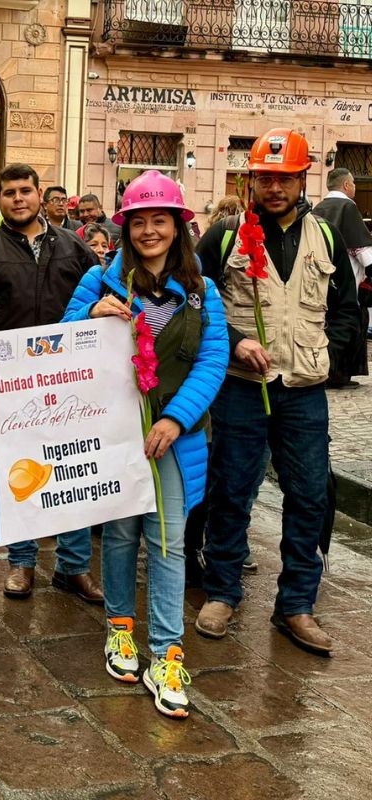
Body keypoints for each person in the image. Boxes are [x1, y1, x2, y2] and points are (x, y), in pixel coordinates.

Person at [64, 171, 228, 719]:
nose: (150, 231)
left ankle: (166, 651)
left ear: (178, 226)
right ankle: (119, 629)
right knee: (119, 536)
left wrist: (177, 420)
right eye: (140, 221)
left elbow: (213, 359)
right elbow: (60, 342)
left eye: (161, 220)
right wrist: (89, 316)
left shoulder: (204, 290)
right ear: (126, 227)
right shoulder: (99, 280)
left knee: (168, 541)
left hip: (174, 440)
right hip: (115, 435)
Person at [194, 129, 361, 656]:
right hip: (242, 389)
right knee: (231, 490)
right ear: (252, 181)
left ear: (301, 179)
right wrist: (238, 341)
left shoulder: (326, 237)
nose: (274, 188)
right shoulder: (224, 236)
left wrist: (328, 355)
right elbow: (195, 302)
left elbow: (346, 311)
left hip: (304, 392)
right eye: (265, 178)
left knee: (310, 496)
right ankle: (222, 591)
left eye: (284, 178)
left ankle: (296, 605)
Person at [0, 163, 104, 604]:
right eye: (9, 192)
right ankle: (21, 561)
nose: (18, 198)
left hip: (70, 380)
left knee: (76, 469)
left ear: (41, 195)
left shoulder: (75, 249)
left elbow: (102, 301)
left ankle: (73, 566)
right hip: (10, 382)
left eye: (26, 190)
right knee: (21, 472)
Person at [314, 167, 371, 386]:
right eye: (354, 183)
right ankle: (339, 374)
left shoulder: (318, 207)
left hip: (321, 279)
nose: (355, 187)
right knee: (351, 323)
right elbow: (361, 248)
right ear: (346, 185)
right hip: (347, 281)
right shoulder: (348, 207)